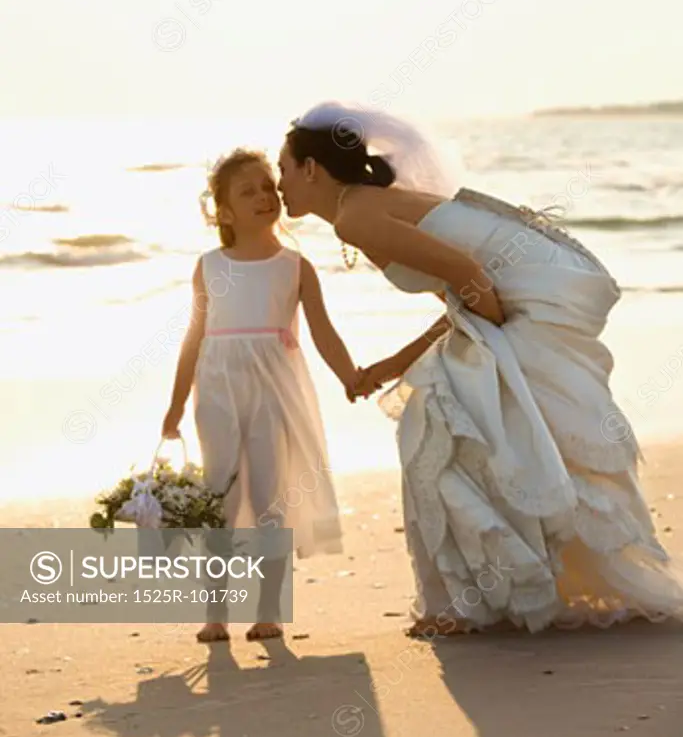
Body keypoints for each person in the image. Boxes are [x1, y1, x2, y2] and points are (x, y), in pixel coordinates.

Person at [277, 100, 683, 635]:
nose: (279, 183)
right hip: (519, 289)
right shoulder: (367, 205)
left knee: (443, 424)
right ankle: (522, 582)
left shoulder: (356, 216)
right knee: (499, 426)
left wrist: (494, 345)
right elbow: (460, 292)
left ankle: (480, 597)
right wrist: (397, 362)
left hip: (527, 298)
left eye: (283, 169)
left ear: (311, 169)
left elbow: (468, 275)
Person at [161, 148, 358, 643]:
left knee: (271, 495)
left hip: (274, 386)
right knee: (220, 495)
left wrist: (350, 375)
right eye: (247, 191)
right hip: (218, 387)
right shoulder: (208, 266)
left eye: (268, 186)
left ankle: (269, 610)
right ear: (223, 211)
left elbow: (324, 334)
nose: (264, 196)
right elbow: (194, 335)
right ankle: (216, 614)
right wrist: (176, 403)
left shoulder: (295, 266)